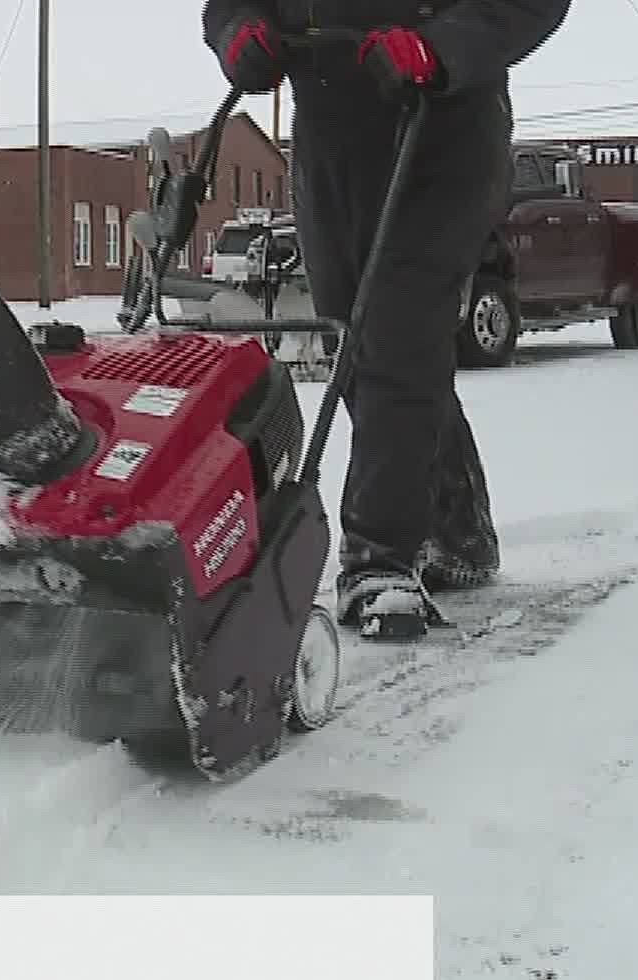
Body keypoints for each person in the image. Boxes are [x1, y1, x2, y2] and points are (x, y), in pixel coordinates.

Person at [201, 0, 569, 641]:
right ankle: (456, 529)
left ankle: (380, 559)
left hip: (441, 123)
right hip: (330, 133)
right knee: (359, 347)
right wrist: (241, 34)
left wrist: (442, 45)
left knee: (397, 331)